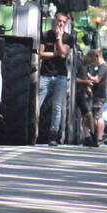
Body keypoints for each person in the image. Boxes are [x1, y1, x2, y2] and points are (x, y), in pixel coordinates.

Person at [37, 12, 73, 146]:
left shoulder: (68, 38)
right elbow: (41, 54)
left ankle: (53, 136)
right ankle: (34, 132)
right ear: (54, 20)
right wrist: (55, 53)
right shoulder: (46, 35)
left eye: (64, 22)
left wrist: (59, 38)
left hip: (61, 76)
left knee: (57, 107)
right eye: (59, 21)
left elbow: (64, 54)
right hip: (45, 74)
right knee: (38, 104)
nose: (61, 24)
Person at [85, 49, 107, 147]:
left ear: (96, 56)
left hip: (99, 95)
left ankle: (98, 137)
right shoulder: (101, 67)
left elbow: (97, 79)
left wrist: (87, 75)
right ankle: (98, 137)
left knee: (97, 117)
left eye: (93, 60)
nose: (93, 63)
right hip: (99, 95)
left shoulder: (103, 67)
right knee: (98, 116)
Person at [75, 50, 95, 146]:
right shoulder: (79, 63)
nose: (92, 64)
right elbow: (74, 79)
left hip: (85, 92)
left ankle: (87, 137)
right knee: (88, 114)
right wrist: (85, 82)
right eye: (92, 61)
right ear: (89, 57)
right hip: (79, 93)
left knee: (85, 116)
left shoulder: (87, 67)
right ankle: (92, 134)